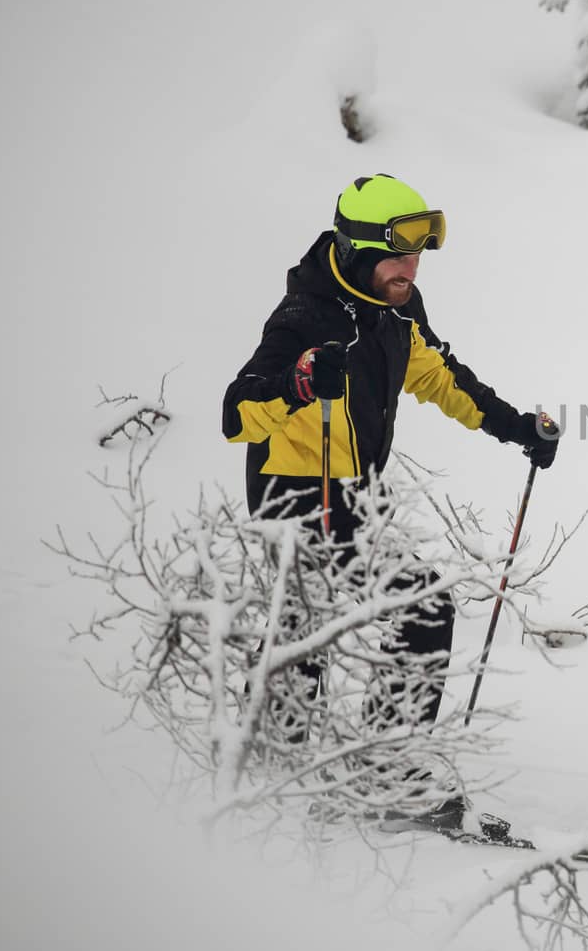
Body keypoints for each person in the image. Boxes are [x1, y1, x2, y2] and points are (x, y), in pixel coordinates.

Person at [222, 173, 557, 826]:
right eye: (399, 254)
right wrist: (297, 381)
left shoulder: (399, 305)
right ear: (358, 251)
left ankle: (333, 757)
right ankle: (336, 770)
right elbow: (237, 415)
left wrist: (516, 426)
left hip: (355, 498)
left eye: (419, 253)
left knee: (337, 624)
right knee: (357, 617)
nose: (413, 266)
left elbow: (437, 375)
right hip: (295, 498)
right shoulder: (302, 318)